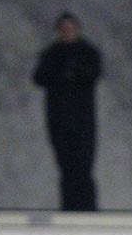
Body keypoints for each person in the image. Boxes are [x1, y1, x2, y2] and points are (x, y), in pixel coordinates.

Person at [33, 12, 103, 211]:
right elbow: (39, 78)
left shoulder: (88, 52)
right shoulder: (52, 54)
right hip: (58, 119)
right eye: (63, 28)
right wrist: (60, 72)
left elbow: (94, 73)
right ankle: (69, 208)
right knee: (66, 167)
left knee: (84, 166)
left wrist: (74, 70)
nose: (67, 31)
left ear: (77, 29)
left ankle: (88, 209)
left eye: (70, 27)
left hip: (83, 120)